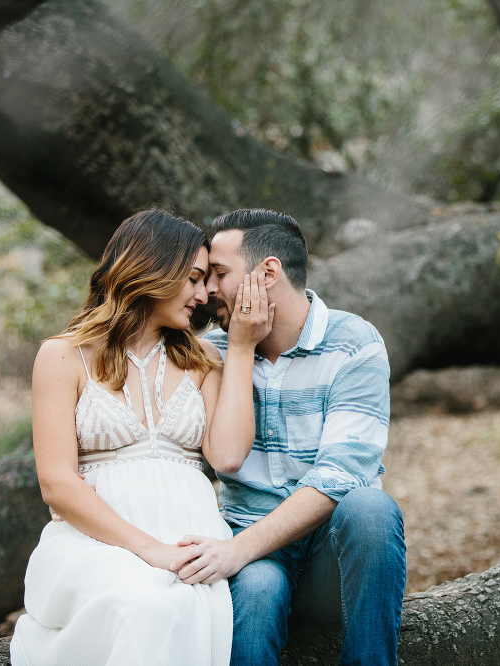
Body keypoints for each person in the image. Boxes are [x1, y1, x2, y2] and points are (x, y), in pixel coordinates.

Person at [10, 209, 270, 666]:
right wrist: (151, 552)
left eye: (208, 279)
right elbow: (56, 482)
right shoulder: (62, 355)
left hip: (191, 549)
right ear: (151, 268)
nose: (204, 293)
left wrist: (244, 347)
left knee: (172, 607)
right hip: (95, 547)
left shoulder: (202, 358)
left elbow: (227, 455)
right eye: (193, 278)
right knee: (148, 606)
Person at [169, 208, 406, 666]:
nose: (207, 289)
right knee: (258, 589)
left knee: (372, 509)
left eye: (219, 273)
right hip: (252, 558)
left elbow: (340, 477)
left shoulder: (354, 343)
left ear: (268, 273)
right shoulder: (209, 355)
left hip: (329, 557)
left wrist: (237, 550)